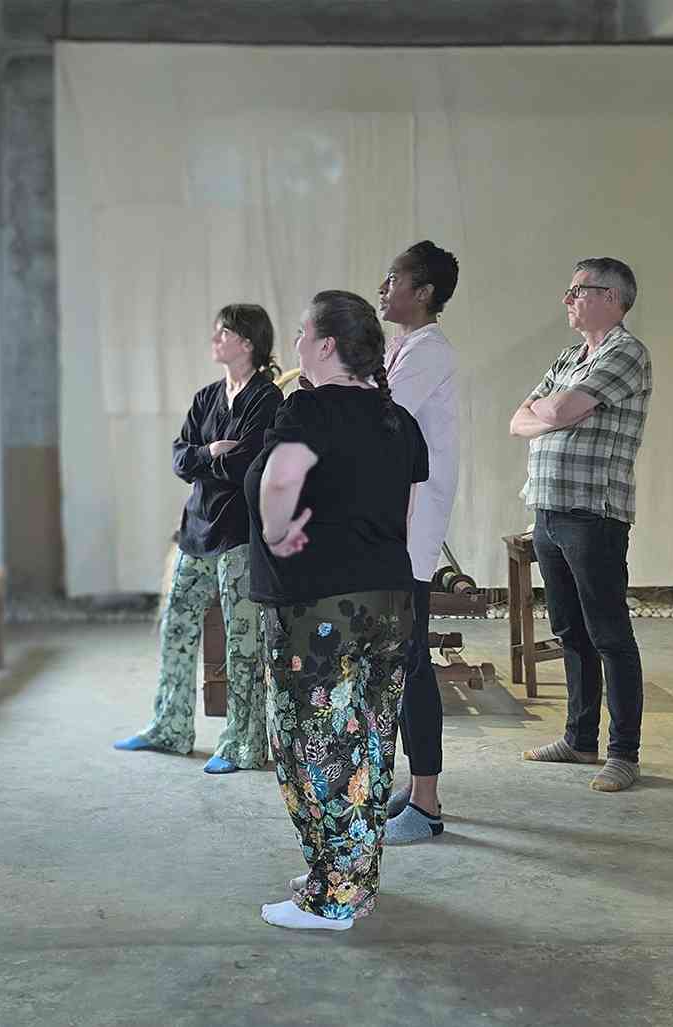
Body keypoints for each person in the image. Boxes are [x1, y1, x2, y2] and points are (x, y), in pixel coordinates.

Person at [246, 290, 428, 931]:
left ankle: (333, 899)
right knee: (371, 743)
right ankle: (349, 876)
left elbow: (278, 479)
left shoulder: (309, 409)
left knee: (310, 744)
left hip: (318, 607)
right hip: (389, 601)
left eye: (302, 333)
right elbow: (405, 514)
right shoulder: (398, 421)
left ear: (325, 345)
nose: (295, 344)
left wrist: (277, 535)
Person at [114, 304, 282, 774]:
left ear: (246, 342)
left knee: (242, 643)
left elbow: (248, 465)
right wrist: (209, 452)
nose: (214, 339)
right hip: (195, 531)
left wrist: (202, 461)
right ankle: (169, 728)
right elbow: (179, 459)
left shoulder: (267, 399)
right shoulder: (206, 397)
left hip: (238, 535)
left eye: (222, 332)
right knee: (176, 628)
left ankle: (243, 745)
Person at [508, 258, 653, 793]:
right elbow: (520, 419)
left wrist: (554, 411)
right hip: (548, 510)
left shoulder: (626, 353)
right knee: (570, 630)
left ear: (611, 297)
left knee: (609, 634)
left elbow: (556, 409)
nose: (567, 299)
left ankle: (624, 753)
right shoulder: (570, 357)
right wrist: (554, 413)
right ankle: (579, 738)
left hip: (594, 512)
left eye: (578, 290)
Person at [375, 241, 461, 845]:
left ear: (423, 291)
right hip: (393, 526)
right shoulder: (401, 347)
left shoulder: (428, 351)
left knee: (411, 662)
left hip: (410, 530)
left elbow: (379, 416)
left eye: (393, 278)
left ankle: (427, 804)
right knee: (400, 660)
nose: (383, 288)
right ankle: (416, 786)